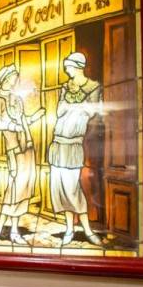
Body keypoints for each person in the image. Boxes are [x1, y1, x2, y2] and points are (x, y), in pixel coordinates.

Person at [48, 52, 104, 246]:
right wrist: (75, 105)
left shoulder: (94, 87)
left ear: (77, 66)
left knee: (73, 189)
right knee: (60, 189)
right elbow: (59, 110)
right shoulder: (66, 86)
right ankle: (70, 229)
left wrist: (74, 105)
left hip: (73, 144)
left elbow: (90, 111)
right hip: (58, 143)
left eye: (68, 67)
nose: (66, 70)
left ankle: (87, 230)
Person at [0, 65, 44, 244]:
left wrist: (35, 117)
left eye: (16, 77)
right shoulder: (0, 99)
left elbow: (23, 121)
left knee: (23, 189)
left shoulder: (17, 99)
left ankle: (13, 230)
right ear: (6, 79)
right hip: (14, 147)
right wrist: (14, 126)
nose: (15, 80)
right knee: (14, 189)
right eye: (13, 77)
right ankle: (0, 226)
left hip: (26, 146)